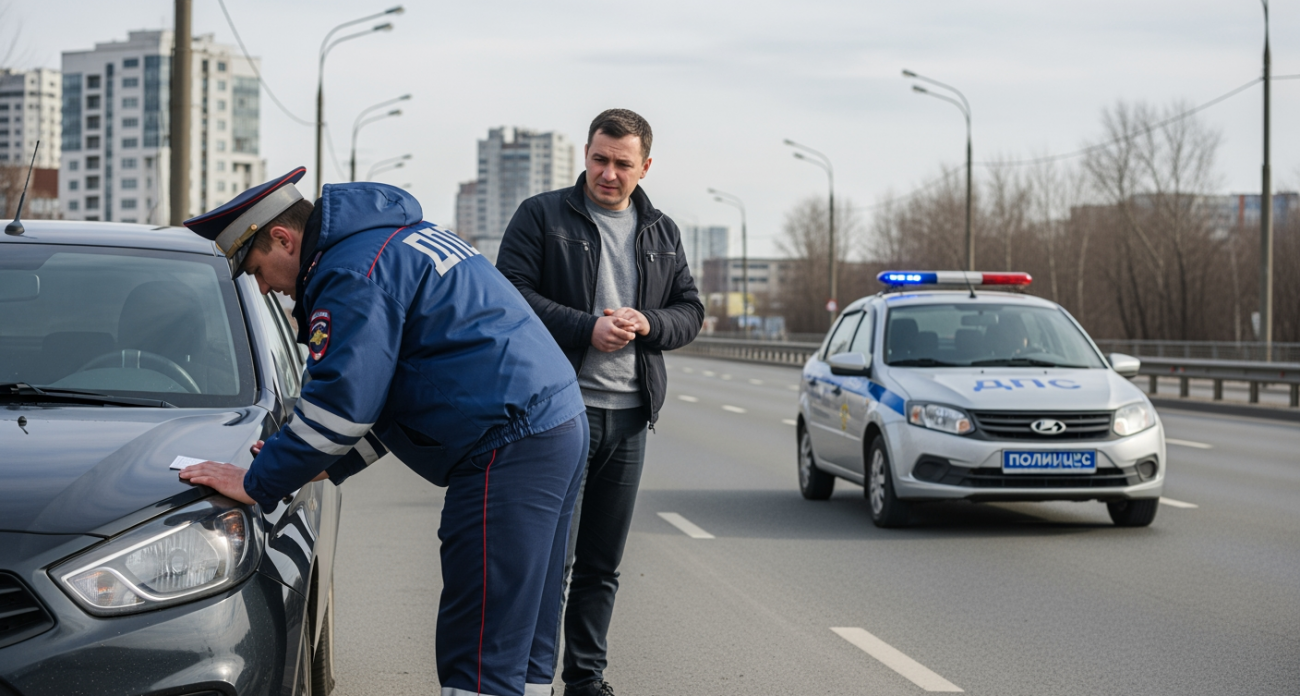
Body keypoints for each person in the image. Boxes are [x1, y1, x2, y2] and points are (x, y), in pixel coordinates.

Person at [178, 167, 588, 696]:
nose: (264, 287)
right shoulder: (388, 238)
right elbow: (393, 394)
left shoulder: (349, 270)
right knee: (522, 636)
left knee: (482, 645)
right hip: (553, 423)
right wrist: (328, 460)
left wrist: (258, 481)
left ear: (283, 238)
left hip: (507, 442)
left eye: (256, 269)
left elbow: (340, 406)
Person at [496, 109, 704, 696]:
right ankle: (530, 679)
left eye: (621, 163)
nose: (607, 173)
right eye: (599, 159)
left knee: (601, 566)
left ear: (645, 166)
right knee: (547, 563)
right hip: (558, 415)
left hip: (631, 415)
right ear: (585, 154)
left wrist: (651, 321)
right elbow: (509, 295)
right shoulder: (542, 215)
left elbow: (691, 311)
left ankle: (585, 682)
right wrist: (585, 328)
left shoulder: (661, 231)